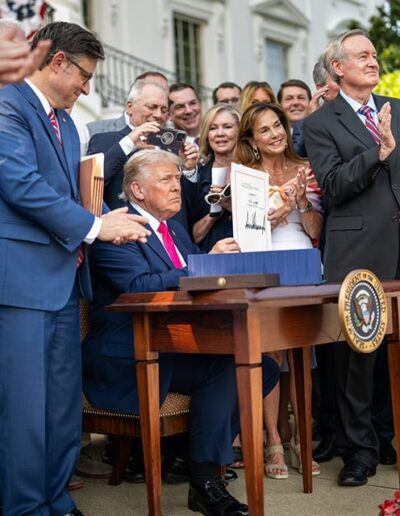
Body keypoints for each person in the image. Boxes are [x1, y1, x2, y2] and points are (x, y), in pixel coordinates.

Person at [0, 21, 151, 515]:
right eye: (83, 75)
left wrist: (105, 218)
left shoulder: (69, 125)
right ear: (56, 62)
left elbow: (67, 198)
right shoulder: (6, 102)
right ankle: (24, 506)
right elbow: (20, 185)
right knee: (25, 408)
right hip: (20, 283)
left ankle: (56, 499)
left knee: (63, 408)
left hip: (66, 282)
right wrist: (95, 227)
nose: (87, 87)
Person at [82, 148, 280, 516]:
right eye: (167, 180)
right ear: (138, 191)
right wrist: (203, 264)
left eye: (178, 178)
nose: (178, 187)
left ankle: (201, 466)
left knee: (260, 366)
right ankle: (206, 480)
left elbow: (191, 281)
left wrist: (215, 265)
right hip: (127, 350)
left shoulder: (172, 228)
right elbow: (138, 285)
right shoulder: (121, 228)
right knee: (230, 368)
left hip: (173, 344)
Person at [303, 29, 398, 487]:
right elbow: (336, 185)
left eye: (375, 55)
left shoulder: (397, 111)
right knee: (359, 356)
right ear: (337, 67)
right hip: (358, 252)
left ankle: (390, 435)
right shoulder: (320, 123)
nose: (373, 60)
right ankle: (358, 451)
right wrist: (378, 154)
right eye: (362, 55)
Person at [234, 102, 323, 479]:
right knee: (270, 355)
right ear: (252, 140)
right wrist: (270, 216)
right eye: (265, 130)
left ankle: (301, 439)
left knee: (303, 352)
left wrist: (300, 202)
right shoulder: (244, 176)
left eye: (278, 126)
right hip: (264, 266)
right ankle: (273, 439)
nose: (275, 135)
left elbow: (317, 230)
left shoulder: (307, 168)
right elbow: (243, 236)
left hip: (303, 264)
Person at [191, 103, 240, 251]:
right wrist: (215, 210)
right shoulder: (196, 176)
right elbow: (192, 237)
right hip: (211, 258)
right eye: (213, 128)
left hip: (250, 255)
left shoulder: (255, 171)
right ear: (207, 135)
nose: (219, 133)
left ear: (240, 131)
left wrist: (230, 206)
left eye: (227, 126)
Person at [87, 70, 170, 138]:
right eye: (152, 107)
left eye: (164, 110)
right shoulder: (95, 131)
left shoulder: (170, 141)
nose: (159, 115)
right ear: (130, 107)